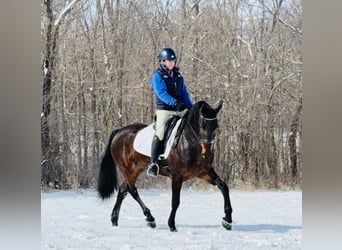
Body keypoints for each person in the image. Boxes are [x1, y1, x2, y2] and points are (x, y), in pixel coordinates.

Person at [147, 47, 193, 177]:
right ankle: (153, 163)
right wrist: (175, 103)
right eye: (169, 61)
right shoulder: (157, 76)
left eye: (173, 61)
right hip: (165, 110)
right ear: (162, 61)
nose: (171, 63)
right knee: (160, 133)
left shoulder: (178, 76)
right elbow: (161, 93)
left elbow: (184, 93)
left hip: (179, 109)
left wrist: (192, 107)